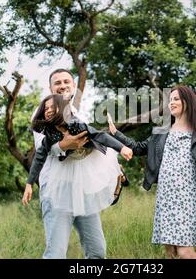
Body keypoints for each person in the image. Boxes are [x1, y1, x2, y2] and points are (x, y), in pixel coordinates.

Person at [22, 68, 128, 259]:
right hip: (57, 193)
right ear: (50, 88)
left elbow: (95, 142)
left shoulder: (79, 115)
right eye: (57, 83)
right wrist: (65, 144)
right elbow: (43, 149)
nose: (62, 86)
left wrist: (114, 162)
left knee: (97, 252)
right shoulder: (42, 115)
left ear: (73, 86)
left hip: (83, 191)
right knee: (56, 254)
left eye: (66, 82)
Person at [109, 86, 196, 259]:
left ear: (188, 102)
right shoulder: (162, 132)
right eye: (170, 99)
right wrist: (115, 133)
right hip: (166, 199)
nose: (172, 103)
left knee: (185, 252)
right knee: (170, 252)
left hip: (189, 200)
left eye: (176, 99)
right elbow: (137, 148)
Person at [26, 93, 132, 216]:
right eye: (46, 108)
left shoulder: (75, 124)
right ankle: (117, 170)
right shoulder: (49, 135)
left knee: (100, 178)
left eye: (52, 107)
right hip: (76, 157)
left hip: (93, 154)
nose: (48, 110)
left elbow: (99, 135)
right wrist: (29, 184)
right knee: (86, 185)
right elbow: (39, 158)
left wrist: (122, 147)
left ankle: (118, 174)